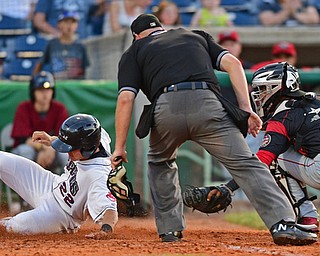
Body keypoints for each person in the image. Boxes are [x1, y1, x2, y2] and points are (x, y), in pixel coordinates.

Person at [111, 13, 317, 245]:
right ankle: (283, 223)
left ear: (136, 36)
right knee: (247, 164)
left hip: (166, 109)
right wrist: (246, 110)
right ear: (162, 28)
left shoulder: (134, 51)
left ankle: (170, 230)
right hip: (208, 105)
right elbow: (234, 65)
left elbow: (126, 99)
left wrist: (119, 147)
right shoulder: (194, 36)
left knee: (160, 162)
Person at [217, 62, 320, 232]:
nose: (258, 95)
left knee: (276, 157)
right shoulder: (315, 99)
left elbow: (261, 163)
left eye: (263, 89)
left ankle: (307, 216)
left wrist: (230, 187)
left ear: (277, 88)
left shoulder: (282, 117)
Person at [0, 113, 118, 237]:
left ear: (87, 148)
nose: (66, 152)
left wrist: (106, 231)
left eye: (70, 149)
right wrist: (51, 140)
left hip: (61, 214)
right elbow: (76, 139)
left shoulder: (98, 176)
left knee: (15, 226)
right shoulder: (96, 137)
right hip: (49, 184)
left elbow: (111, 211)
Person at [11, 71, 69, 173]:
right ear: (33, 92)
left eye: (48, 90)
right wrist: (44, 148)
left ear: (53, 91)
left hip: (53, 151)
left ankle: (68, 187)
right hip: (32, 150)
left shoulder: (59, 109)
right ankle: (25, 188)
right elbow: (23, 139)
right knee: (26, 150)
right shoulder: (24, 108)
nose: (45, 94)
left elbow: (64, 139)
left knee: (65, 153)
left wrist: (50, 149)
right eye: (40, 90)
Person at [33, 11, 90, 80]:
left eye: (73, 22)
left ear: (77, 25)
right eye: (66, 22)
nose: (69, 26)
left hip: (75, 86)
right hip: (57, 84)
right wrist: (34, 80)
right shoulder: (52, 44)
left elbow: (87, 69)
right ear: (59, 24)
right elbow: (40, 63)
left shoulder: (81, 46)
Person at [32, 0, 100, 39]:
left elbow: (97, 10)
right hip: (58, 42)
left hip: (82, 41)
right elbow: (38, 21)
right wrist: (59, 34)